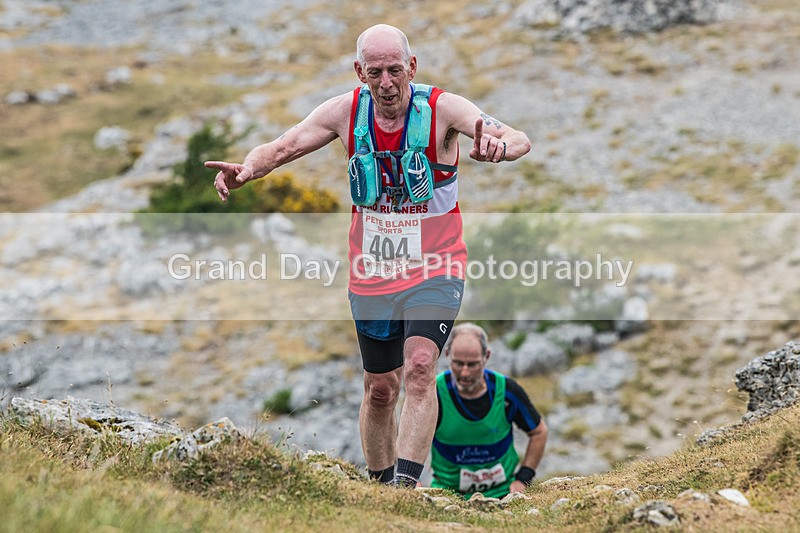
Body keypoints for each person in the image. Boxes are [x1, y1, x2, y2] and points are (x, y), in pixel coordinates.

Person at [205, 24, 531, 488]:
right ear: (359, 71)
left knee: (420, 368)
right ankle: (380, 488)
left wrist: (501, 147)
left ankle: (405, 491)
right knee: (381, 388)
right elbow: (284, 145)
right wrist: (247, 169)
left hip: (436, 266)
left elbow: (517, 137)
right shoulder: (345, 113)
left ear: (411, 67)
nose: (386, 83)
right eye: (374, 72)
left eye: (395, 70)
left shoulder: (442, 109)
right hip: (373, 273)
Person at [431, 323, 548, 498]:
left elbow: (539, 432)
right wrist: (411, 478)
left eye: (472, 364)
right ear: (447, 355)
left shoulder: (507, 392)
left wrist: (523, 478)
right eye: (458, 363)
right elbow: (406, 435)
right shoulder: (434, 393)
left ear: (486, 357)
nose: (464, 373)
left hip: (502, 494)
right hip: (447, 495)